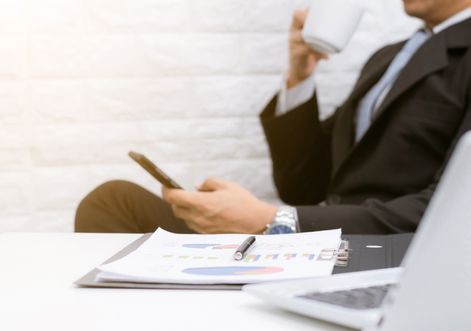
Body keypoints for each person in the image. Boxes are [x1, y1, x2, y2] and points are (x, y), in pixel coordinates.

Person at [75, 0, 471, 235]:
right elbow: (303, 184)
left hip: (375, 251)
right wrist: (300, 74)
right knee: (114, 201)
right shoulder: (387, 58)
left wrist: (273, 222)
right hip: (312, 237)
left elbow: (449, 211)